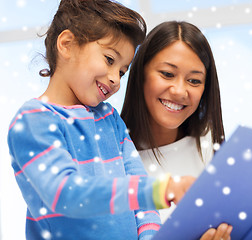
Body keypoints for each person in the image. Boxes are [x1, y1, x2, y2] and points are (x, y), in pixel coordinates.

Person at [121, 20, 252, 239]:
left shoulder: (214, 150)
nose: (179, 90)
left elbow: (246, 229)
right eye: (167, 74)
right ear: (140, 73)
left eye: (194, 80)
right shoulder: (112, 163)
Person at [7, 2, 195, 240]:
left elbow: (142, 203)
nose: (116, 79)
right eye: (109, 59)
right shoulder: (33, 121)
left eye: (122, 71)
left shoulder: (110, 120)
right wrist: (159, 190)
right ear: (67, 44)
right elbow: (66, 194)